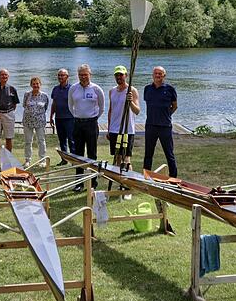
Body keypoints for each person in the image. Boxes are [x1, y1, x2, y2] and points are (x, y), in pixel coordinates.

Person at [68, 64, 104, 192]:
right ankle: (79, 183)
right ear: (78, 75)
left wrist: (92, 118)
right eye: (81, 74)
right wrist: (79, 117)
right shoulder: (73, 89)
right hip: (77, 123)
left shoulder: (96, 89)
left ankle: (93, 182)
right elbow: (70, 106)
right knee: (78, 154)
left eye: (85, 74)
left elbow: (102, 107)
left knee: (92, 153)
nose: (83, 77)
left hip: (91, 124)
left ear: (90, 74)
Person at [107, 65, 140, 199]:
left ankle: (128, 187)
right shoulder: (112, 91)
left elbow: (137, 111)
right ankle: (119, 182)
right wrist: (109, 128)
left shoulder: (132, 90)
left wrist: (131, 101)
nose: (119, 77)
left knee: (126, 159)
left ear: (126, 75)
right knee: (117, 158)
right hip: (114, 129)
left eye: (121, 75)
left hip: (127, 129)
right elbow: (110, 110)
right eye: (117, 75)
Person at [143, 66, 178, 177]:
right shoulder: (147, 89)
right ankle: (146, 176)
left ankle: (173, 177)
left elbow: (175, 106)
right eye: (156, 73)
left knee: (169, 154)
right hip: (150, 126)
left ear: (164, 75)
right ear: (152, 75)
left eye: (160, 74)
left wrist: (166, 115)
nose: (157, 75)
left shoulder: (170, 89)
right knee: (148, 154)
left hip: (165, 126)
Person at [0, 68, 20, 164]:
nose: (4, 76)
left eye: (5, 75)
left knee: (9, 138)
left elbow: (15, 104)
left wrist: (8, 112)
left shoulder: (12, 89)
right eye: (2, 75)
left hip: (9, 114)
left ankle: (8, 159)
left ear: (8, 77)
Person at [49, 68, 75, 165]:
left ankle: (74, 160)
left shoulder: (72, 88)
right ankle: (64, 159)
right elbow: (54, 103)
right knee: (62, 140)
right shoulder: (55, 89)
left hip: (70, 118)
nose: (60, 77)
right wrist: (51, 116)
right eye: (59, 75)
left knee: (71, 140)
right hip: (58, 118)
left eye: (62, 75)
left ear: (67, 77)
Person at [22, 76, 49, 167]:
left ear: (40, 84)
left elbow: (45, 108)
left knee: (41, 140)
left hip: (40, 122)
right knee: (28, 141)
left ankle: (42, 160)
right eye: (33, 84)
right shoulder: (27, 94)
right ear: (31, 85)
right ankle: (27, 160)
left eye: (37, 83)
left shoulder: (44, 96)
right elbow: (24, 105)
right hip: (27, 122)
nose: (35, 85)